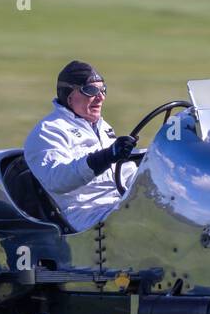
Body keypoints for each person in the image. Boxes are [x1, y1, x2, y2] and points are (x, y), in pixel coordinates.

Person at [22, 60, 139, 232]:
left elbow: (126, 173)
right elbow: (57, 179)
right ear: (69, 96)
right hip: (85, 216)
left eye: (103, 90)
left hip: (118, 205)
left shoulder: (102, 126)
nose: (101, 97)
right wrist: (105, 157)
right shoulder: (49, 130)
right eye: (91, 91)